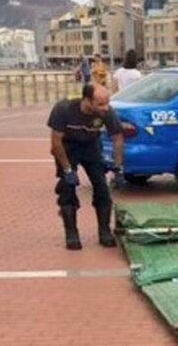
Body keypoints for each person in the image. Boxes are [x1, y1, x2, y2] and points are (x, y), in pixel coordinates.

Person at [47, 83, 125, 250]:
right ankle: (71, 233)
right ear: (87, 101)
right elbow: (56, 142)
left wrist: (118, 168)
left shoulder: (107, 112)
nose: (106, 107)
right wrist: (68, 170)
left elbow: (117, 138)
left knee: (101, 186)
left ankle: (104, 231)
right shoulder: (63, 109)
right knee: (67, 187)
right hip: (67, 147)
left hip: (91, 146)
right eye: (100, 104)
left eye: (107, 102)